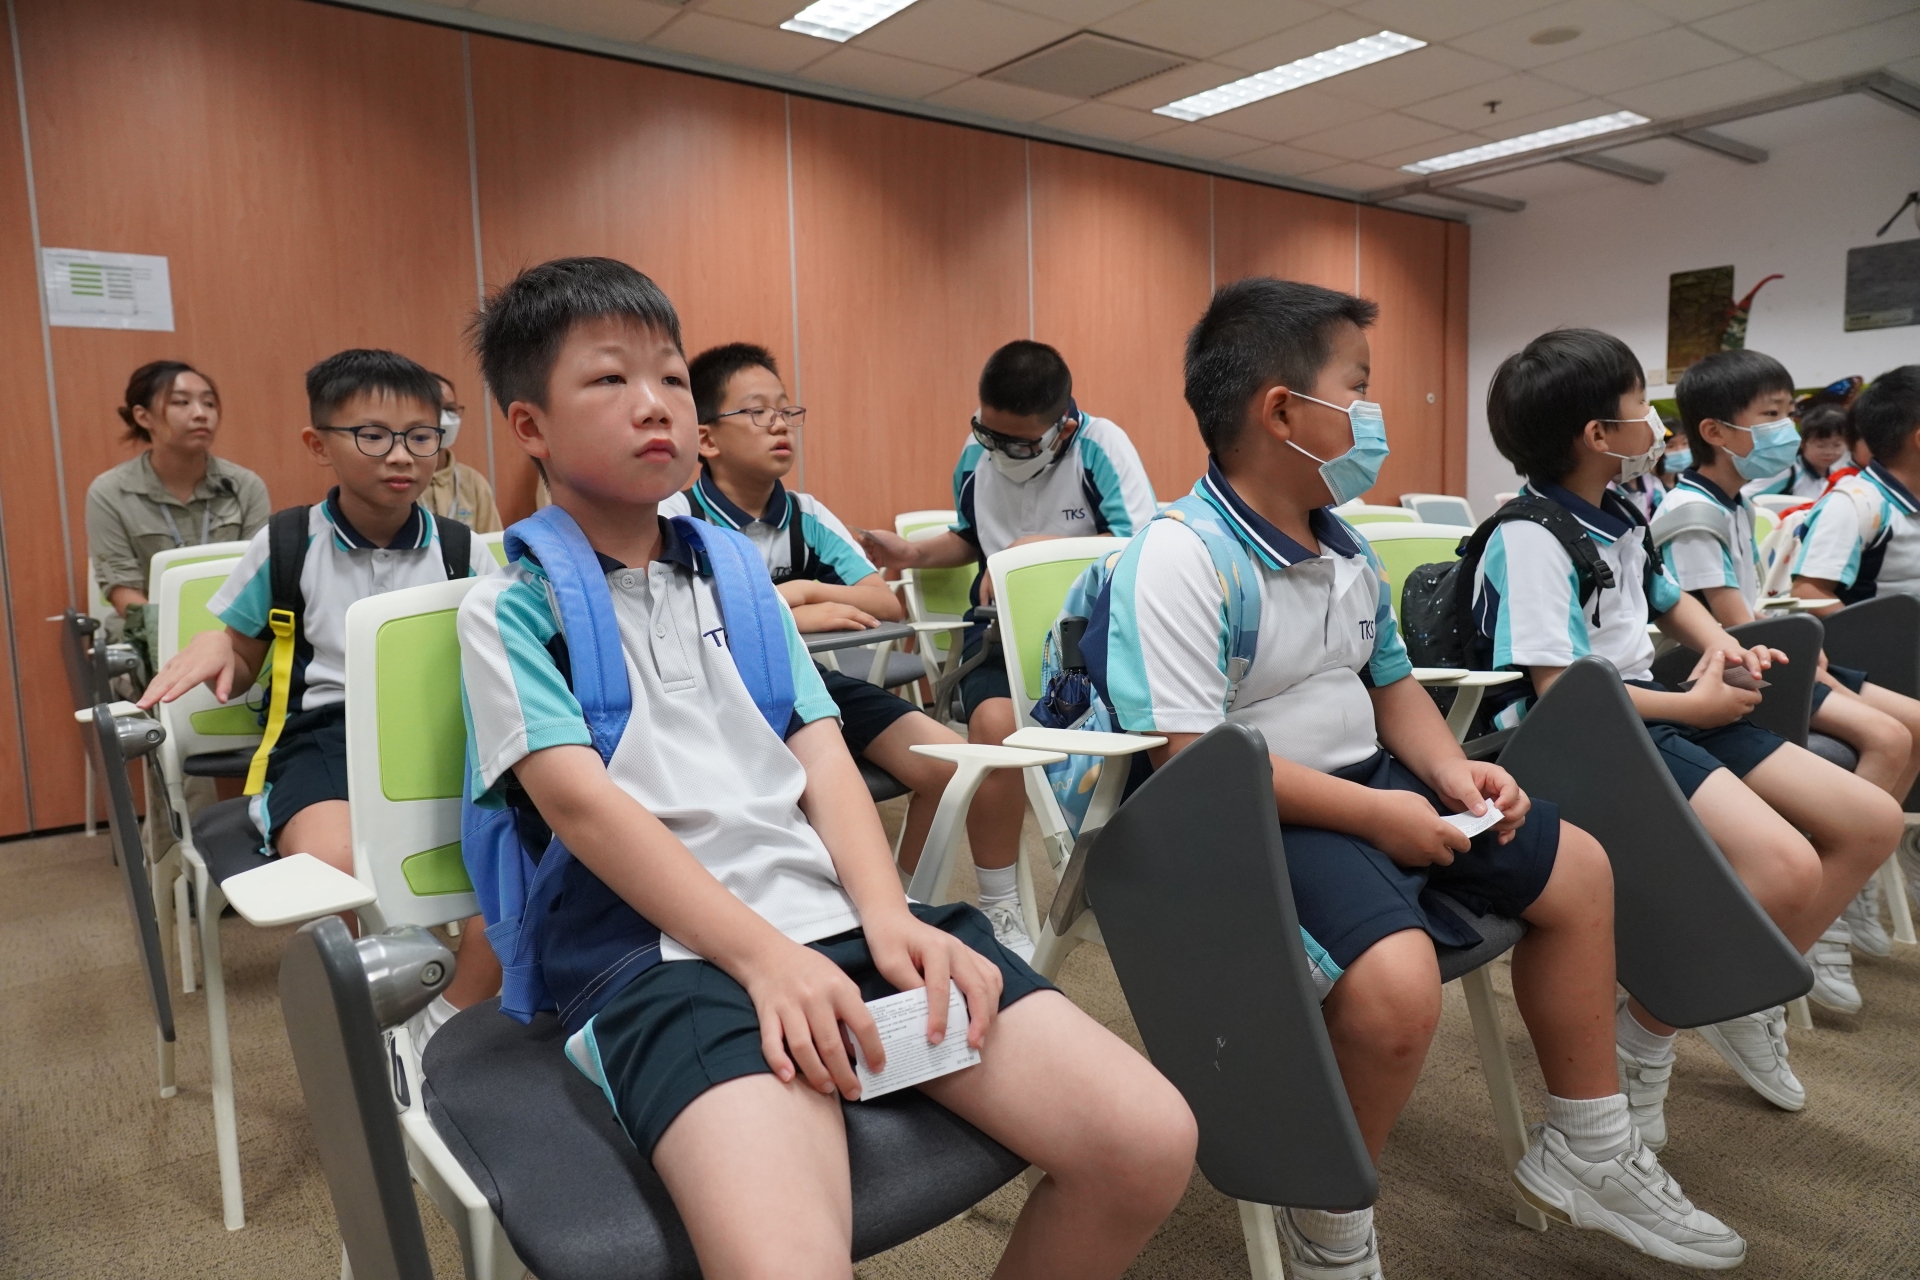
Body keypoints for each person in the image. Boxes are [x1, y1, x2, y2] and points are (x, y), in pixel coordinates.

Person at [458, 256, 1195, 1280]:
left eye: (669, 375)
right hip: (670, 961)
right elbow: (582, 809)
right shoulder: (508, 606)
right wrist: (765, 958)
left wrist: (889, 913)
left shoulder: (737, 580)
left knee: (1146, 1141)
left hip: (839, 921)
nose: (655, 403)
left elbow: (821, 752)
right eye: (609, 378)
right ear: (530, 425)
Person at [1092, 278, 1741, 1275]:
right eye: (1358, 387)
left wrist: (1455, 772)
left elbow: (1393, 686)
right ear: (1283, 412)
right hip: (1245, 813)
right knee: (1396, 990)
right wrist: (1378, 815)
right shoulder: (1182, 557)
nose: (1372, 414)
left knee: (1580, 867)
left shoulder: (1342, 543)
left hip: (1372, 781)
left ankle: (1589, 1146)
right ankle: (1330, 1219)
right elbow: (1191, 759)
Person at [1477, 328, 1899, 1147]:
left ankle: (1738, 992)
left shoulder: (1620, 509)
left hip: (1657, 710)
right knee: (1784, 869)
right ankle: (1647, 1035)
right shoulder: (1529, 535)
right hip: (1597, 737)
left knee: (1871, 821)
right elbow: (1562, 694)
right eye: (1643, 406)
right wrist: (1697, 709)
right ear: (1599, 435)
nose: (1657, 424)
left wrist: (1726, 650)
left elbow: (1670, 600)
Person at [136, 349, 503, 1051]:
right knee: (344, 870)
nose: (401, 455)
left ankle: (435, 1033)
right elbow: (241, 653)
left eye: (421, 435)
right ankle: (388, 1027)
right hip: (323, 740)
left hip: (441, 740)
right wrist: (221, 647)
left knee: (512, 886)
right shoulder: (286, 542)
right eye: (373, 435)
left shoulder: (462, 551)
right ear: (319, 444)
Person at [660, 344, 1033, 956]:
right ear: (706, 438)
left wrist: (797, 600)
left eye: (786, 410)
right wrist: (794, 602)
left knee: (956, 764)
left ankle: (904, 903)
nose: (779, 425)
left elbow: (883, 602)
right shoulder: (674, 519)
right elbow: (679, 619)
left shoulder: (806, 514)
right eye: (756, 412)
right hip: (714, 701)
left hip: (805, 684)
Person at [855, 342, 1156, 937]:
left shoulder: (1101, 449)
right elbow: (970, 537)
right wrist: (913, 553)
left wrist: (1038, 551)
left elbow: (1138, 550)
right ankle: (1001, 904)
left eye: (1017, 444)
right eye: (987, 433)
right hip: (996, 630)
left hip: (1085, 633)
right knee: (993, 723)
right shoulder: (977, 456)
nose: (998, 451)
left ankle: (1133, 879)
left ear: (1062, 426)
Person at [1659, 350, 1920, 969]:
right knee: (1887, 737)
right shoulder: (1691, 512)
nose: (1788, 429)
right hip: (1733, 669)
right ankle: (1832, 900)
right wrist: (1816, 669)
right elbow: (1732, 625)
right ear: (1716, 431)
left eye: (1787, 413)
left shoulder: (1736, 502)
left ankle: (1850, 882)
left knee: (1913, 724)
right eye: (1771, 415)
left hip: (1767, 653)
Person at [85, 360, 270, 664]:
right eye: (182, 402)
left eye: (208, 403)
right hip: (150, 637)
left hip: (235, 629)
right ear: (143, 416)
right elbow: (122, 589)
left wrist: (221, 640)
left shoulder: (245, 486)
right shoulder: (110, 492)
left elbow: (259, 575)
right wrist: (177, 639)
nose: (201, 414)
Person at [422, 372, 503, 533]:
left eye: (450, 409)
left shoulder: (473, 483)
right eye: (436, 409)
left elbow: (493, 542)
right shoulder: (402, 479)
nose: (445, 418)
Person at [1744, 402, 1851, 501]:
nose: (1829, 452)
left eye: (1837, 445)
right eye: (1821, 446)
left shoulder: (1837, 476)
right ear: (1803, 443)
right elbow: (1744, 497)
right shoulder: (1786, 472)